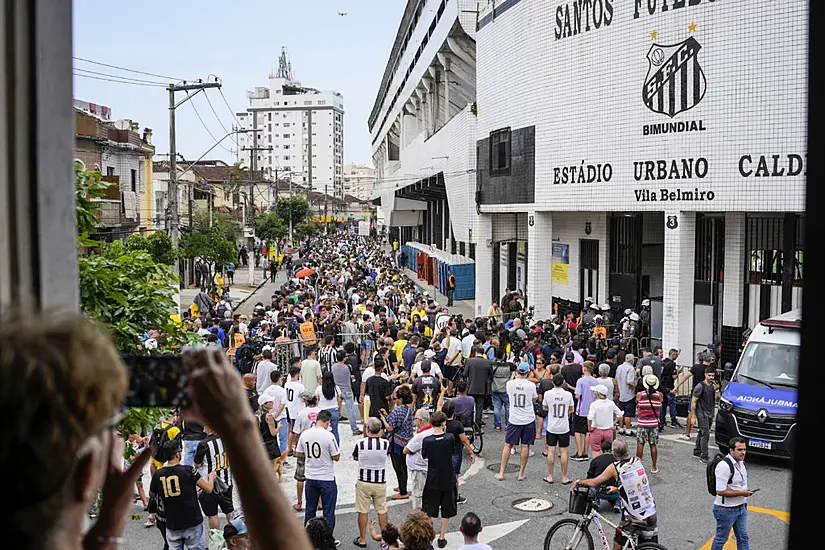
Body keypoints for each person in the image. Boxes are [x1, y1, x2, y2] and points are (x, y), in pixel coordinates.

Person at [574, 440, 659, 550]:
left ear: (614, 453)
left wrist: (578, 482)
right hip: (650, 510)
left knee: (618, 541)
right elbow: (635, 483)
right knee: (648, 546)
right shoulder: (637, 461)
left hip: (634, 515)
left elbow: (595, 482)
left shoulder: (615, 467)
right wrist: (618, 488)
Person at [150, 439, 215, 550]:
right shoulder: (188, 470)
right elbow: (208, 489)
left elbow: (152, 494)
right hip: (192, 520)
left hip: (172, 522)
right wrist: (211, 478)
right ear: (177, 454)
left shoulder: (158, 474)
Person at [296, 409, 341, 536]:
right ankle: (327, 539)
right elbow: (336, 456)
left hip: (310, 476)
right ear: (327, 422)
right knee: (328, 512)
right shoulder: (329, 436)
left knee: (310, 510)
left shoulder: (305, 434)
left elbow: (299, 453)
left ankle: (309, 538)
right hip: (326, 477)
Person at [495, 362, 538, 481]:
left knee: (508, 444)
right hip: (528, 418)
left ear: (517, 371)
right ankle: (521, 473)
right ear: (528, 372)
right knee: (525, 445)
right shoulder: (531, 385)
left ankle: (501, 472)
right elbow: (534, 398)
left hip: (514, 418)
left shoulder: (510, 384)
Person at [352, 418, 391, 548]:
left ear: (367, 429)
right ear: (380, 430)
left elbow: (356, 457)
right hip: (379, 481)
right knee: (381, 510)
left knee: (363, 511)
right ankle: (385, 539)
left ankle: (362, 539)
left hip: (364, 481)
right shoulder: (385, 443)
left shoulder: (360, 443)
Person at [422, 411, 457, 549]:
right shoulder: (449, 438)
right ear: (444, 423)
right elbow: (453, 451)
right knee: (446, 509)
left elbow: (424, 455)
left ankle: (429, 537)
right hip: (448, 477)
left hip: (433, 478)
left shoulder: (427, 440)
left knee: (429, 509)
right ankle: (442, 537)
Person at [712, 437, 753, 550]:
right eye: (739, 450)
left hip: (741, 507)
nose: (743, 452)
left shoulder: (741, 463)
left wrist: (743, 494)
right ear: (731, 450)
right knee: (721, 539)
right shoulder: (724, 466)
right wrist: (742, 493)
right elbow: (720, 491)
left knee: (743, 538)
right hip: (726, 509)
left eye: (744, 449)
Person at [194, 425, 234, 530]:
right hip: (226, 481)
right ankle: (237, 536)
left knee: (212, 514)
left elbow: (197, 464)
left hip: (209, 484)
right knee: (229, 511)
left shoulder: (203, 444)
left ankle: (216, 541)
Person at [381, 385, 415, 501]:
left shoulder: (398, 410)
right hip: (407, 441)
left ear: (400, 399)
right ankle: (402, 487)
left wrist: (383, 419)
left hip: (397, 442)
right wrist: (388, 416)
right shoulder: (408, 409)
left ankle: (403, 491)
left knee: (398, 467)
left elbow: (390, 427)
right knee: (403, 466)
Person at [542, 374, 574, 484]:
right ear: (563, 382)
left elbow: (545, 407)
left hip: (552, 426)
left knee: (551, 450)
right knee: (564, 451)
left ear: (552, 382)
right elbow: (571, 409)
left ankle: (550, 476)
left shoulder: (548, 394)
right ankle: (564, 477)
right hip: (564, 426)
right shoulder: (568, 395)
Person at [442, 400, 476, 504]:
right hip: (455, 452)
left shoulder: (440, 423)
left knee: (443, 475)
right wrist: (471, 452)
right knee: (455, 476)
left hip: (442, 452)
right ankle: (455, 496)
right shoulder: (457, 425)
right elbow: (464, 440)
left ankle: (442, 496)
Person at [675, 352, 713, 440]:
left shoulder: (696, 367)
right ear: (711, 360)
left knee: (691, 412)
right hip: (707, 394)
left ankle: (687, 433)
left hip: (696, 393)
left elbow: (685, 377)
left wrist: (677, 386)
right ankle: (704, 432)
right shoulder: (711, 370)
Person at [404, 408, 434, 511]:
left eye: (415, 418)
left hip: (419, 469)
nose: (414, 420)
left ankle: (420, 520)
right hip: (428, 466)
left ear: (420, 420)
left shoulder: (421, 436)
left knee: (418, 496)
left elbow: (406, 450)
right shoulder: (432, 430)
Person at [332, 349, 363, 436]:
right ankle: (354, 429)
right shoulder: (347, 367)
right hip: (347, 389)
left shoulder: (333, 367)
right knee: (351, 410)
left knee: (336, 409)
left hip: (337, 390)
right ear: (344, 358)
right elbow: (352, 377)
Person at [636, 374, 663, 473]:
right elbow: (660, 403)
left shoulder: (640, 395)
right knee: (653, 445)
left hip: (642, 423)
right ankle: (654, 466)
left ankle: (637, 466)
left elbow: (637, 405)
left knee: (640, 444)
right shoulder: (659, 395)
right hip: (654, 423)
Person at [692, 368, 720, 464]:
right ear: (705, 375)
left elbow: (718, 399)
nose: (711, 377)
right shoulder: (700, 386)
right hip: (701, 414)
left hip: (710, 413)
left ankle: (697, 450)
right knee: (706, 434)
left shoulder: (713, 386)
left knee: (702, 432)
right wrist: (693, 416)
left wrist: (717, 390)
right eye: (709, 375)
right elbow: (694, 402)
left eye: (713, 376)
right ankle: (704, 456)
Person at [587, 384, 622, 458]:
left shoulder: (594, 404)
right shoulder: (610, 403)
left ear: (597, 394)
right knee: (608, 451)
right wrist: (613, 423)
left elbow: (590, 418)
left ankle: (597, 467)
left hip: (596, 430)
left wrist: (590, 427)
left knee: (596, 450)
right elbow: (619, 414)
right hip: (608, 430)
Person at [586, 441, 621, 513]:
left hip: (600, 491)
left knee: (591, 484)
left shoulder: (596, 460)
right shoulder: (618, 461)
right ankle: (618, 503)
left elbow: (589, 477)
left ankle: (596, 501)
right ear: (612, 450)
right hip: (615, 491)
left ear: (602, 450)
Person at [573, 361, 598, 461]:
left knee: (577, 431)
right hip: (591, 409)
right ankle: (585, 452)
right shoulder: (595, 381)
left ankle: (579, 453)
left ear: (585, 369)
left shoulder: (580, 381)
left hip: (581, 409)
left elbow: (578, 395)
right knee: (588, 432)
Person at [262, 370, 290, 454]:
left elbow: (265, 403)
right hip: (281, 416)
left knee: (271, 438)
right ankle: (282, 458)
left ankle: (273, 455)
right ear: (279, 379)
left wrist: (272, 416)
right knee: (283, 439)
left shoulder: (267, 390)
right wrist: (276, 415)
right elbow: (282, 405)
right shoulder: (282, 390)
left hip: (269, 416)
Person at [490, 346, 514, 433]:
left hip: (495, 388)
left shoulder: (492, 365)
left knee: (497, 407)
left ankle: (497, 426)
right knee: (508, 407)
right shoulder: (509, 366)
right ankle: (508, 424)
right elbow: (516, 367)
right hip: (506, 389)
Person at [285, 361, 307, 453]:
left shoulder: (287, 384)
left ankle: (290, 448)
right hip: (298, 410)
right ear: (297, 374)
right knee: (297, 431)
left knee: (292, 430)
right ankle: (296, 448)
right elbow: (303, 399)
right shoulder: (300, 386)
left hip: (290, 408)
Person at [615, 354, 637, 435]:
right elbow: (629, 381)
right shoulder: (630, 369)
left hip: (620, 392)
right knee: (628, 413)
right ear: (632, 360)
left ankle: (621, 428)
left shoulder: (619, 367)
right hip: (628, 393)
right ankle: (628, 429)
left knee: (621, 412)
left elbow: (616, 379)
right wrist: (636, 386)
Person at [660, 349, 681, 428]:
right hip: (669, 386)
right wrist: (678, 372)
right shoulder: (672, 364)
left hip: (663, 385)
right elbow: (674, 376)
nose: (677, 357)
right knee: (672, 404)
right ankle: (673, 420)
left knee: (663, 404)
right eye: (676, 355)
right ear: (673, 355)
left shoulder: (663, 362)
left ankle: (662, 420)